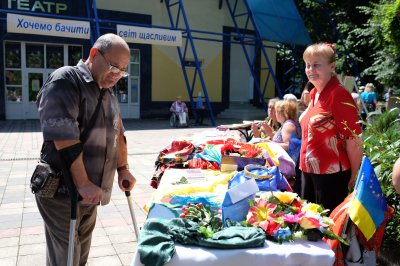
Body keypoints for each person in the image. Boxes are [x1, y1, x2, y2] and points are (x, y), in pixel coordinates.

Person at [35, 33, 136, 265]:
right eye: (113, 66)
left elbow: (118, 132)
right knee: (67, 258)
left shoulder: (108, 92)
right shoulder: (66, 80)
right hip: (63, 191)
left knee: (79, 257)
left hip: (90, 192)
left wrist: (123, 168)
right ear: (93, 54)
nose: (117, 75)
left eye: (122, 71)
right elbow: (64, 136)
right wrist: (82, 183)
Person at [299, 42, 363, 212]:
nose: (311, 69)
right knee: (308, 226)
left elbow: (354, 139)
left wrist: (354, 175)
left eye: (316, 65)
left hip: (331, 176)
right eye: (308, 65)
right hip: (308, 171)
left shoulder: (339, 95)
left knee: (326, 229)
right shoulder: (314, 94)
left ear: (332, 66)